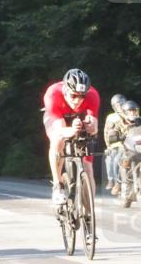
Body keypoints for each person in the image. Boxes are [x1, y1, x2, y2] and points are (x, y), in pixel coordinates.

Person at [43, 68, 100, 205]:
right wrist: (73, 129)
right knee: (58, 141)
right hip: (57, 117)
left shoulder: (93, 95)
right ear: (65, 91)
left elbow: (94, 127)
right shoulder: (53, 94)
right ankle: (57, 185)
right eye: (74, 95)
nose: (78, 100)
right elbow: (60, 129)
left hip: (78, 118)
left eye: (82, 96)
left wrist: (89, 127)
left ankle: (89, 207)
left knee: (88, 165)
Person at [103, 94, 127, 191]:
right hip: (115, 144)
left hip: (127, 143)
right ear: (113, 106)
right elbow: (106, 133)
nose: (120, 106)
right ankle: (112, 180)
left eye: (121, 104)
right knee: (109, 158)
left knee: (118, 158)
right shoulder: (110, 117)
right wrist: (108, 146)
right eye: (117, 105)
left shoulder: (130, 114)